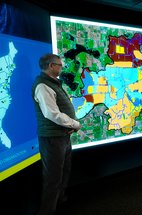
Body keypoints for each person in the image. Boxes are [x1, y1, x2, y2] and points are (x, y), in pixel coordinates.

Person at [32, 53, 82, 215]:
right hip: (52, 139)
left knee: (64, 170)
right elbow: (52, 113)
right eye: (59, 65)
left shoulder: (53, 83)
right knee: (53, 177)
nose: (61, 67)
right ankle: (47, 211)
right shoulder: (42, 86)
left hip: (62, 137)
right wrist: (75, 123)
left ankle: (60, 201)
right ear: (51, 66)